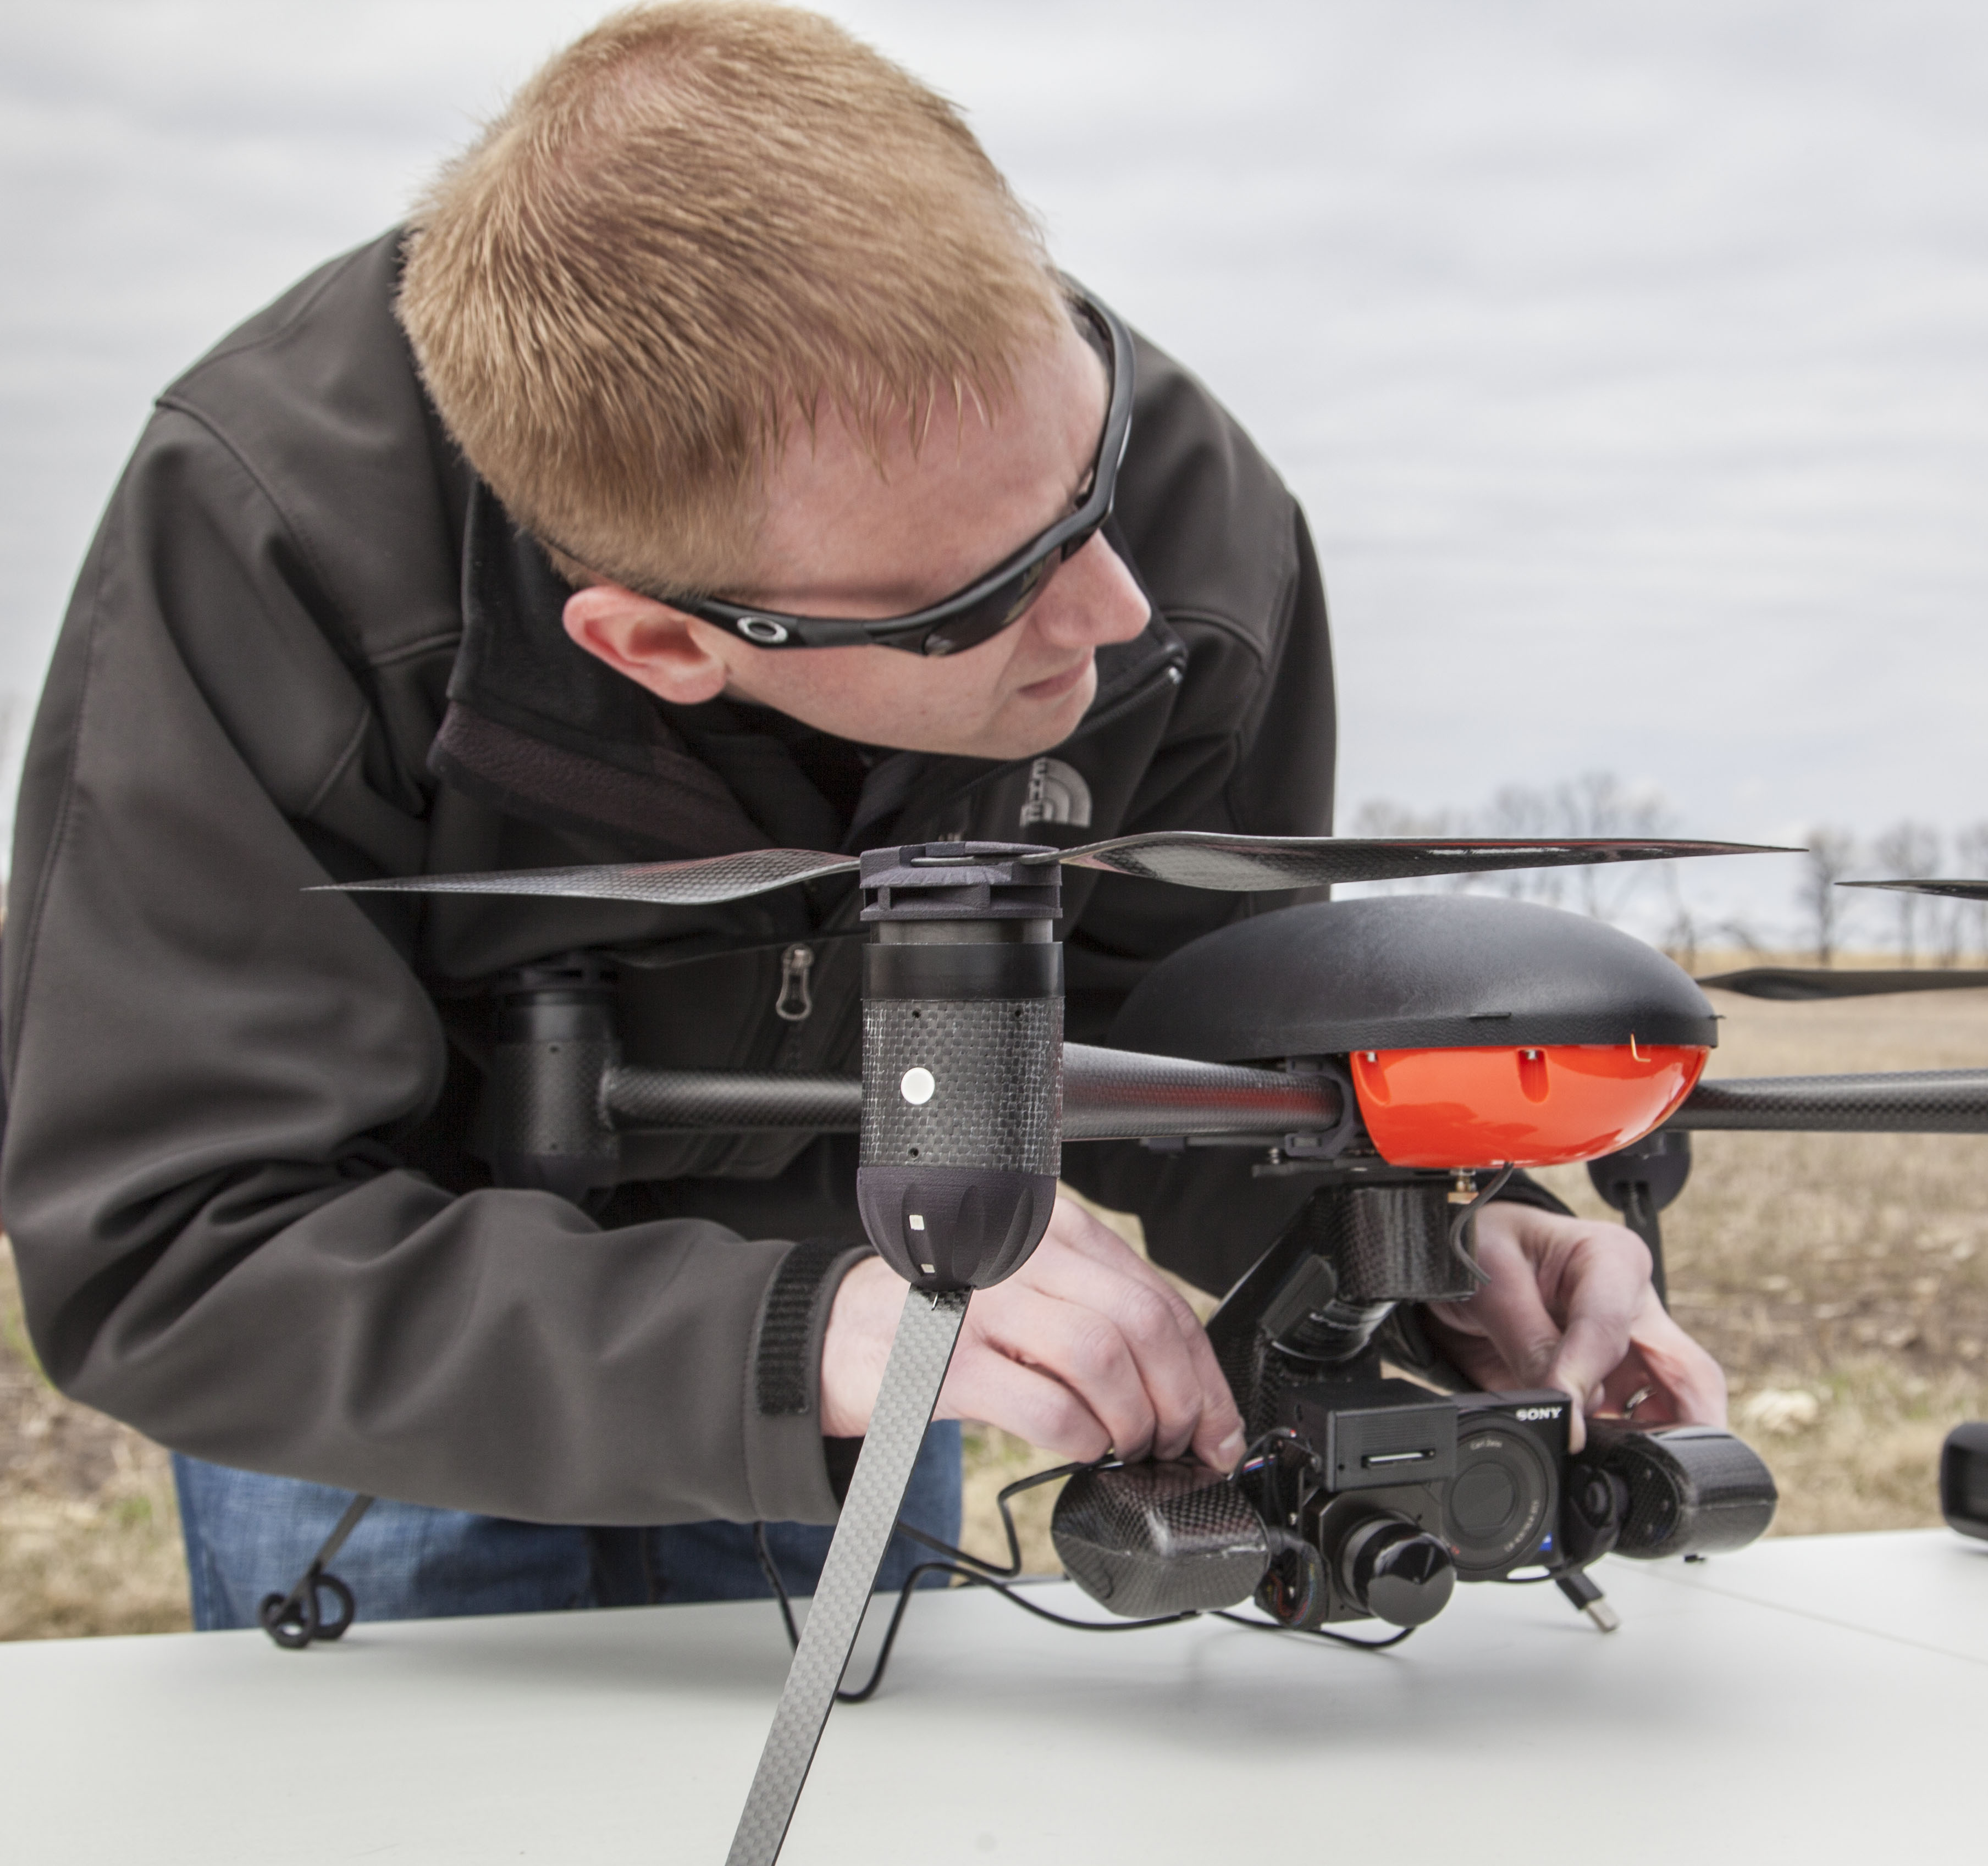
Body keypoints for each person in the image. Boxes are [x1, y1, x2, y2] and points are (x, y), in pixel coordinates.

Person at [0, 1, 1726, 1631]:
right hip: (409, 1424)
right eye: (982, 595)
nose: (1117, 610)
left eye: (1087, 479)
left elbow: (1193, 1048)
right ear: (662, 643)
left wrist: (1433, 1239)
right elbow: (175, 1243)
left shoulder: (1191, 518)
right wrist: (797, 1336)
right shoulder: (272, 548)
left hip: (896, 1349)